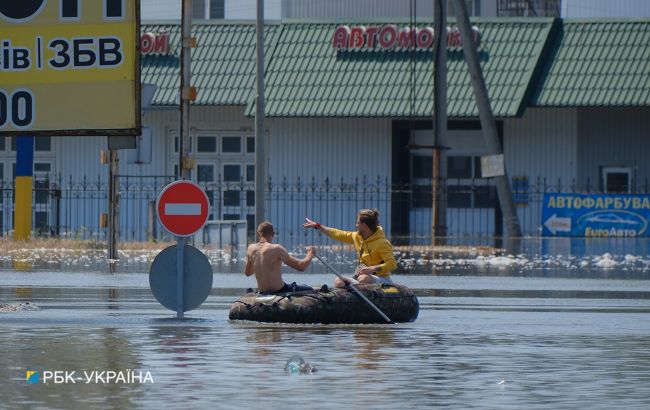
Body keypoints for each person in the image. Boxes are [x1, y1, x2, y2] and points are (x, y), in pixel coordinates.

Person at [303, 208, 397, 288]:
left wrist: (372, 269)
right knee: (339, 281)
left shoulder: (382, 243)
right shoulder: (357, 237)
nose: (356, 225)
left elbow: (392, 264)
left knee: (363, 278)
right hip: (362, 278)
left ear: (364, 225)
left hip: (383, 280)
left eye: (358, 223)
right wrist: (318, 226)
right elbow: (338, 234)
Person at [245, 221, 315, 294]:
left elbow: (248, 273)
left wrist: (260, 264)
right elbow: (301, 266)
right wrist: (310, 253)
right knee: (309, 288)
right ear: (273, 234)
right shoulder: (276, 249)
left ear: (258, 233)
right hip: (280, 290)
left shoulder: (251, 248)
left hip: (262, 292)